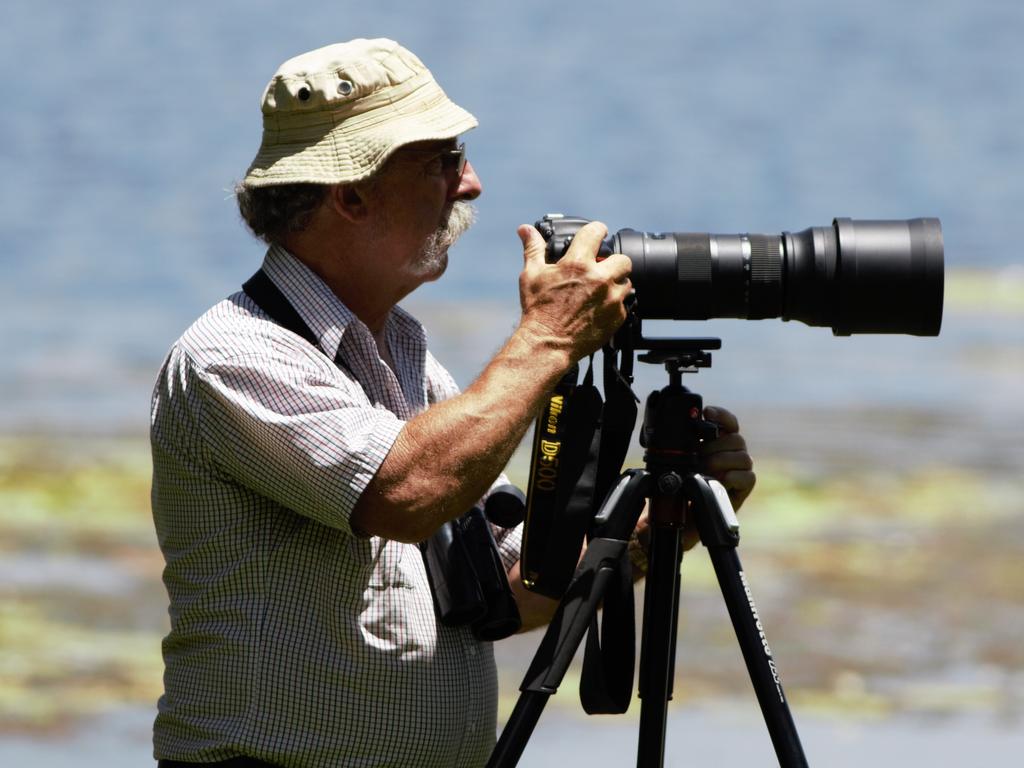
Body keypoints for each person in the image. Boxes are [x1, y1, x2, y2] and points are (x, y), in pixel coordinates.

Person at [150, 38, 755, 768]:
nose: (469, 184)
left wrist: (664, 527)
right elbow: (405, 492)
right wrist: (549, 337)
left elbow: (508, 591)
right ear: (351, 194)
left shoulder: (402, 355)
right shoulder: (235, 355)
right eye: (442, 159)